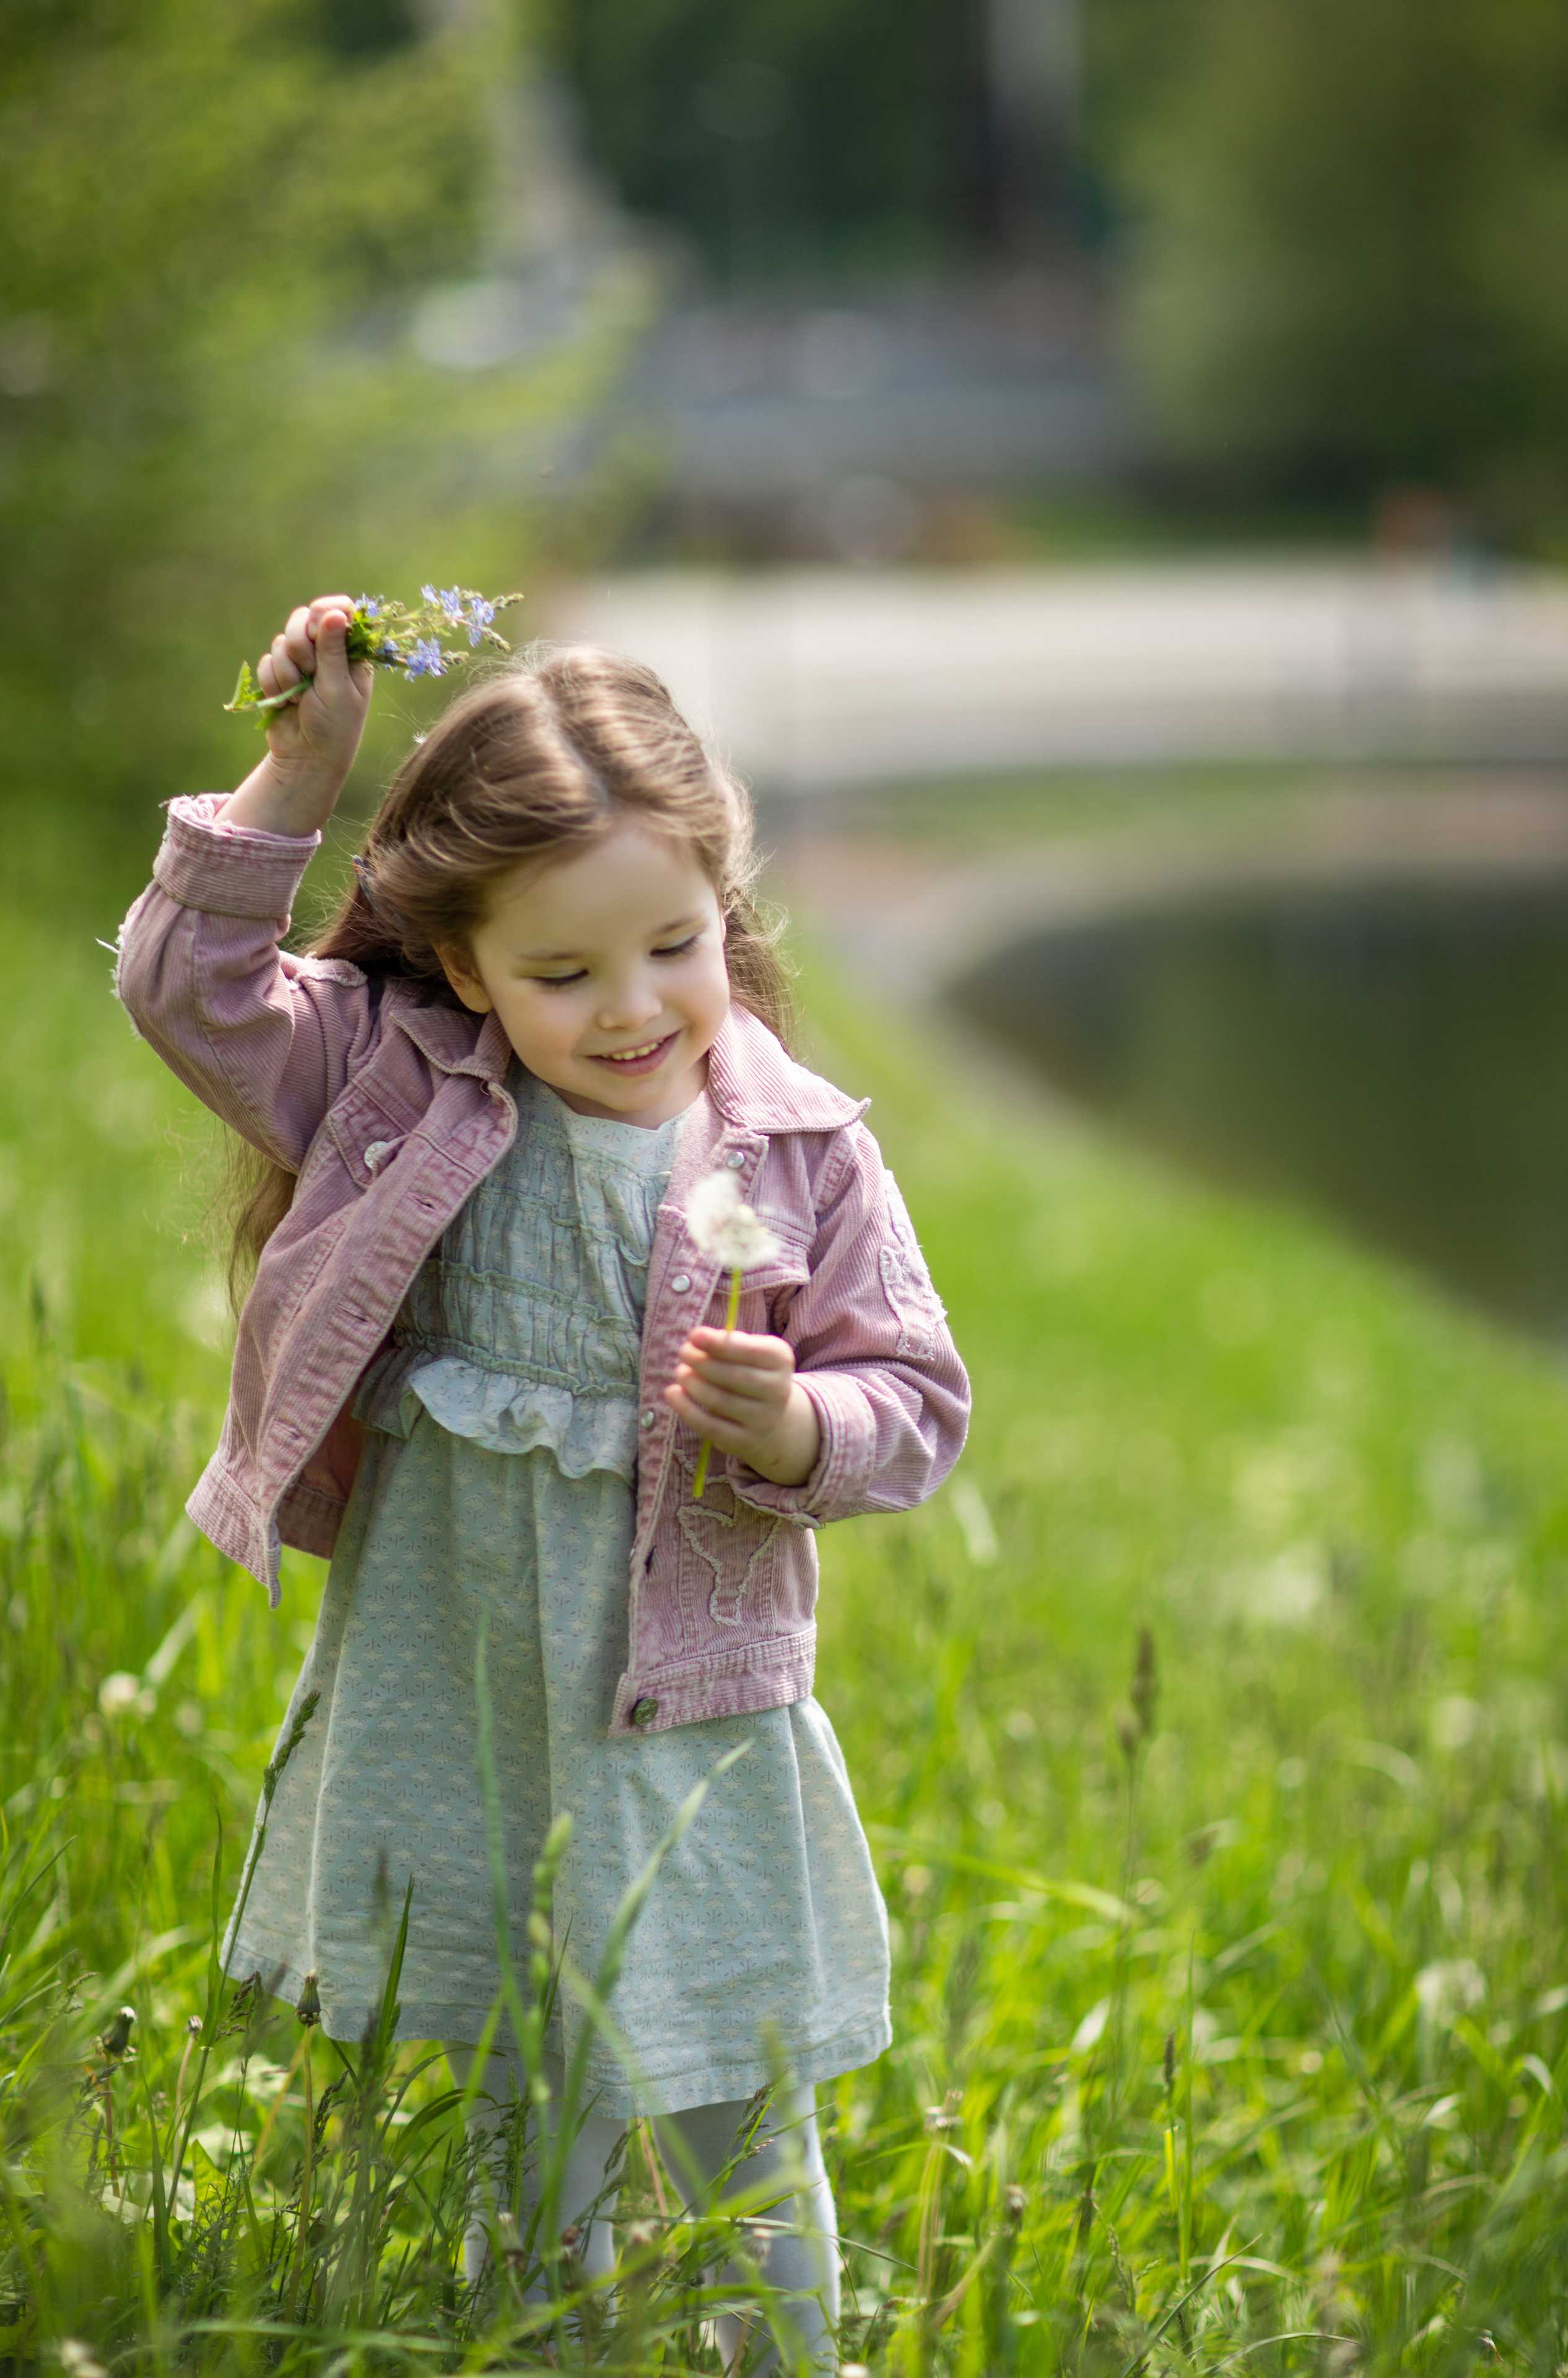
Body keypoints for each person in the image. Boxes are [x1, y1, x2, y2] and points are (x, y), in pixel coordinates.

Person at [116, 596, 970, 2355]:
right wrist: (298, 769)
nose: (632, 1007)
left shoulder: (799, 1155)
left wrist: (802, 1428)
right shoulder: (401, 1081)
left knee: (735, 2088)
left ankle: (784, 2352)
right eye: (563, 974)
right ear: (463, 967)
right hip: (466, 1679)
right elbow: (183, 992)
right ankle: (552, 2343)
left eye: (673, 947)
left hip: (684, 1713)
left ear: (720, 909)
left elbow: (918, 1398)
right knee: (532, 2094)